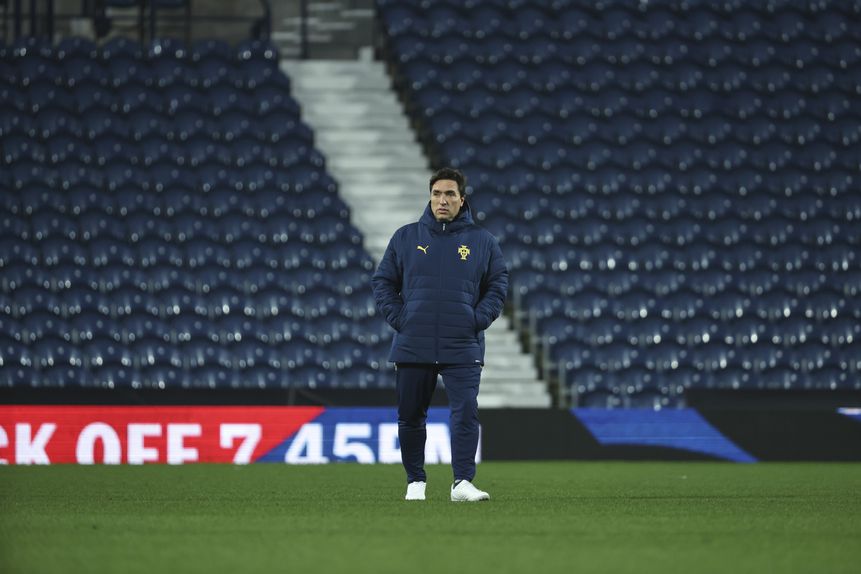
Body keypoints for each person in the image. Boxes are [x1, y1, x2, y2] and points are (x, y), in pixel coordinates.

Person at [372, 167, 509, 502]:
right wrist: (402, 319)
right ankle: (415, 482)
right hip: (413, 342)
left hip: (462, 343)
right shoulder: (405, 237)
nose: (442, 200)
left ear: (462, 199)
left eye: (449, 194)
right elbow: (383, 282)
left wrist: (477, 319)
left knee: (466, 413)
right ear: (430, 197)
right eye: (436, 194)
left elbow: (498, 285)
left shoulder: (483, 241)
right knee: (410, 416)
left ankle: (462, 483)